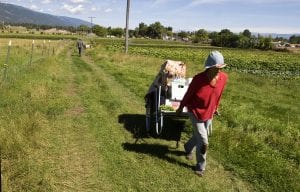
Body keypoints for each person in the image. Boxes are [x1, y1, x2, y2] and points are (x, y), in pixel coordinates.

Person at [176, 50, 228, 177]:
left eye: (221, 67)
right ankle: (200, 166)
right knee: (204, 141)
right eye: (216, 68)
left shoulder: (223, 78)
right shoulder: (198, 79)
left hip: (209, 111)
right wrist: (180, 107)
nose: (219, 70)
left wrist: (216, 107)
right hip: (195, 111)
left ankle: (188, 147)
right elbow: (188, 95)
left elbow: (218, 94)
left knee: (199, 136)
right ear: (209, 67)